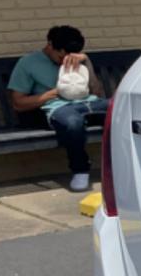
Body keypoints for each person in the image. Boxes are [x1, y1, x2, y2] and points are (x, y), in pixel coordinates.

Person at [8, 25, 108, 192]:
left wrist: (87, 63)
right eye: (61, 56)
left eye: (69, 56)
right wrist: (56, 93)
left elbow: (97, 93)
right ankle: (80, 170)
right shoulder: (28, 63)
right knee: (72, 121)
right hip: (56, 108)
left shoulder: (78, 60)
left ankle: (127, 165)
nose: (65, 61)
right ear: (50, 45)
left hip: (87, 103)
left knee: (119, 108)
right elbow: (18, 103)